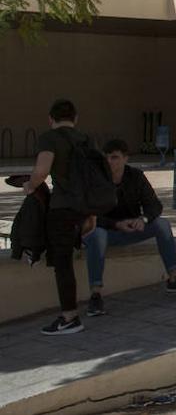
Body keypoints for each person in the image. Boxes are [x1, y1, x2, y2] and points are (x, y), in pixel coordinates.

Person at [82, 139, 176, 317]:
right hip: (104, 230)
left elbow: (155, 206)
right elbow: (88, 213)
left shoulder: (135, 176)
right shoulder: (96, 179)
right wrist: (115, 224)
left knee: (162, 224)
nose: (110, 162)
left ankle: (174, 278)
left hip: (131, 229)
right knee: (97, 235)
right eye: (107, 158)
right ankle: (95, 294)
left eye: (115, 157)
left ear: (125, 158)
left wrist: (143, 219)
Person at [22, 99, 93, 335]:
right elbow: (94, 179)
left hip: (61, 208)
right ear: (76, 118)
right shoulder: (86, 139)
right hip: (83, 208)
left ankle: (69, 317)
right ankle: (73, 313)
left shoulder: (49, 138)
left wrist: (30, 186)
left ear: (50, 119)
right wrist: (91, 214)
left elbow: (41, 171)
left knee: (62, 264)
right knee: (68, 260)